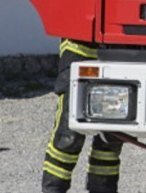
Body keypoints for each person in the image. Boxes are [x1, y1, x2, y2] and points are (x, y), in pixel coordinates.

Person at [42, 39, 122, 193]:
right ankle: (53, 189)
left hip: (120, 48)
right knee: (68, 135)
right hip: (80, 47)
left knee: (111, 136)